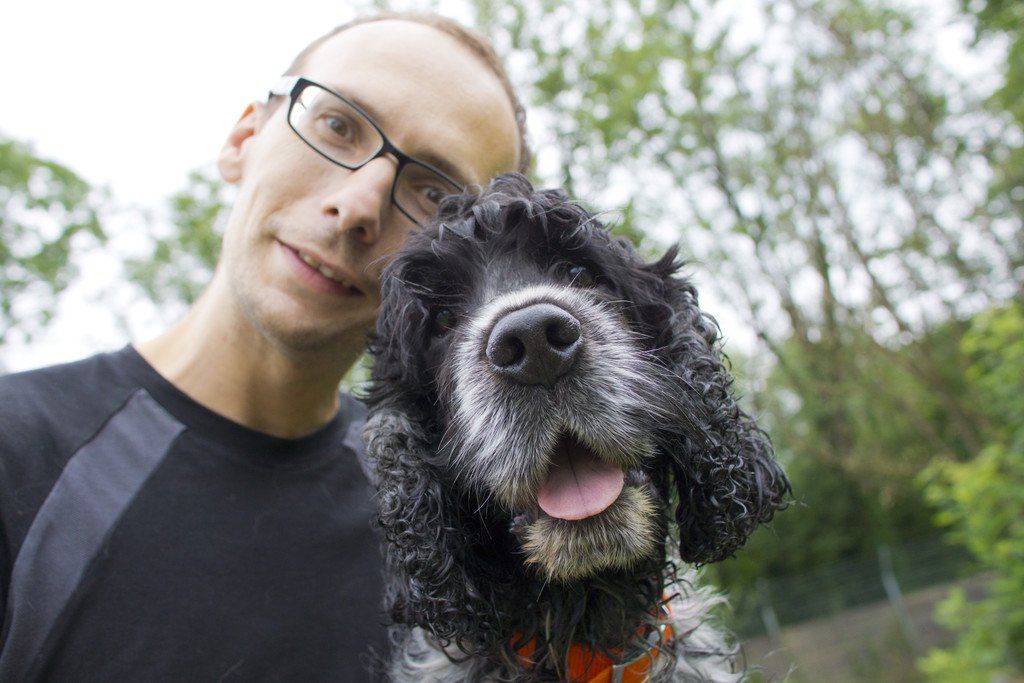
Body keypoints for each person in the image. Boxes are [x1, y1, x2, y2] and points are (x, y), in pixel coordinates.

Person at [0, 12, 526, 681]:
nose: (358, 207)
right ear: (243, 137)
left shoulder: (467, 538)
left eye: (432, 192)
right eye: (337, 125)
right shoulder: (18, 452)